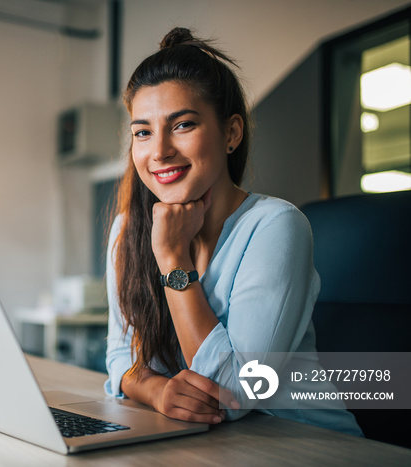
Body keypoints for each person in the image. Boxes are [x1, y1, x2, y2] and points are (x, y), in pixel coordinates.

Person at [104, 27, 362, 436]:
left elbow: (235, 391)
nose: (159, 151)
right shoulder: (128, 230)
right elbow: (120, 357)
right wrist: (157, 392)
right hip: (209, 446)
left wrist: (173, 260)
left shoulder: (276, 226)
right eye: (143, 132)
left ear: (231, 133)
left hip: (307, 444)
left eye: (183, 125)